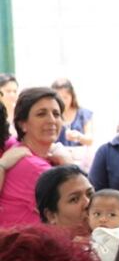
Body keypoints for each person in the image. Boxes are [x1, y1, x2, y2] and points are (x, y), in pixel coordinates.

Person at [0, 88, 73, 227]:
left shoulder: (14, 146)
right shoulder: (34, 167)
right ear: (23, 124)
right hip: (27, 246)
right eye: (41, 114)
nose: (51, 120)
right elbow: (83, 208)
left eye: (56, 114)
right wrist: (68, 164)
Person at [34, 164, 93, 236]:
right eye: (74, 199)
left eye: (90, 194)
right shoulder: (38, 246)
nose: (88, 203)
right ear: (51, 216)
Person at [86, 189, 119, 261]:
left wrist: (86, 245)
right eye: (97, 214)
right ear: (88, 217)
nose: (102, 219)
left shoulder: (117, 235)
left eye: (112, 215)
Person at [50, 78, 94, 149]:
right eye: (59, 98)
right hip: (55, 156)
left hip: (78, 157)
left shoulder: (83, 113)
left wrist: (78, 136)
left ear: (72, 96)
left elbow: (90, 140)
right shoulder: (50, 114)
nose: (63, 101)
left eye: (65, 97)